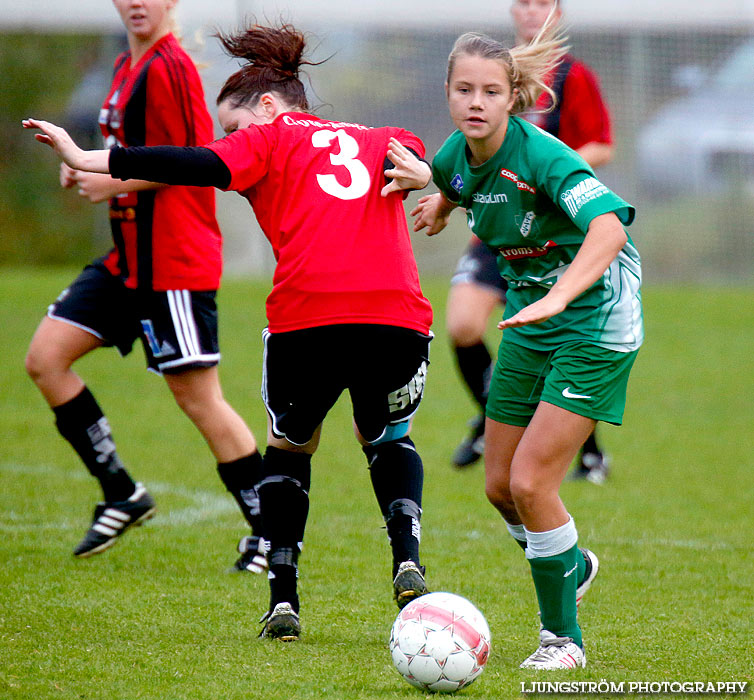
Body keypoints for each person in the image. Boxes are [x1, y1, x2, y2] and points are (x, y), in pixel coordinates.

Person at [24, 21, 435, 642]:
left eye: (236, 125)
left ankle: (284, 600)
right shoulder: (381, 136)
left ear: (269, 107)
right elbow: (427, 154)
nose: (232, 140)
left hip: (309, 317)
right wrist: (428, 175)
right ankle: (406, 558)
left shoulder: (265, 140)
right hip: (397, 318)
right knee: (387, 435)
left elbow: (189, 161)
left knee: (290, 450)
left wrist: (90, 158)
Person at [411, 18, 642, 669]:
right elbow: (456, 182)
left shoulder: (544, 154)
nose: (477, 102)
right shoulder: (455, 154)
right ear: (450, 94)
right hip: (529, 318)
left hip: (595, 319)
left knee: (534, 482)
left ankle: (562, 642)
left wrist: (562, 294)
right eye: (465, 90)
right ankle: (571, 562)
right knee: (498, 485)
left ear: (514, 98)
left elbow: (608, 230)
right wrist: (439, 207)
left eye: (490, 91)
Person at [23, 0, 267, 574]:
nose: (136, 2)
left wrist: (107, 180)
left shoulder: (170, 66)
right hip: (128, 260)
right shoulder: (126, 64)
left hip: (173, 262)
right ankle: (121, 492)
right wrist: (80, 165)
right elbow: (117, 150)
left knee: (199, 399)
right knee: (45, 360)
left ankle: (272, 531)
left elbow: (194, 160)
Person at [447, 0, 614, 485]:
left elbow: (601, 144)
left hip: (550, 237)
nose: (532, 12)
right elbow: (465, 157)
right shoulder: (486, 74)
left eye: (542, 2)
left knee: (558, 347)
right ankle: (491, 419)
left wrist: (542, 171)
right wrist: (444, 196)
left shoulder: (572, 77)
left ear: (558, 12)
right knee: (461, 324)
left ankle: (588, 448)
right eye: (524, 2)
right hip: (497, 232)